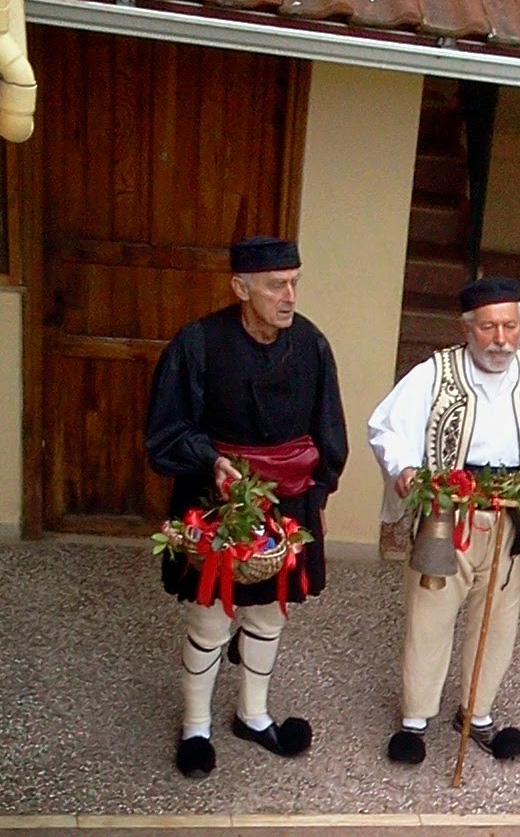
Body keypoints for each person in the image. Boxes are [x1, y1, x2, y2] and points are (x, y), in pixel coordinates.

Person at [368, 275, 520, 765]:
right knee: (430, 612)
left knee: (498, 618)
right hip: (448, 515)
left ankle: (478, 712)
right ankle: (415, 718)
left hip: (513, 518)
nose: (500, 339)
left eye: (510, 327)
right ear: (467, 328)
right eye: (489, 327)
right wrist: (405, 468)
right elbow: (387, 426)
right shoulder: (435, 372)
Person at [145, 236, 348, 779]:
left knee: (268, 611)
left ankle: (253, 716)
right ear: (240, 288)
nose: (290, 295)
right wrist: (209, 460)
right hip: (216, 503)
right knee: (210, 617)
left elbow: (329, 429)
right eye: (276, 285)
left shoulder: (311, 345)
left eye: (295, 283)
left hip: (288, 504)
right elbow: (164, 434)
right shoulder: (198, 343)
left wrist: (316, 498)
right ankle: (195, 726)